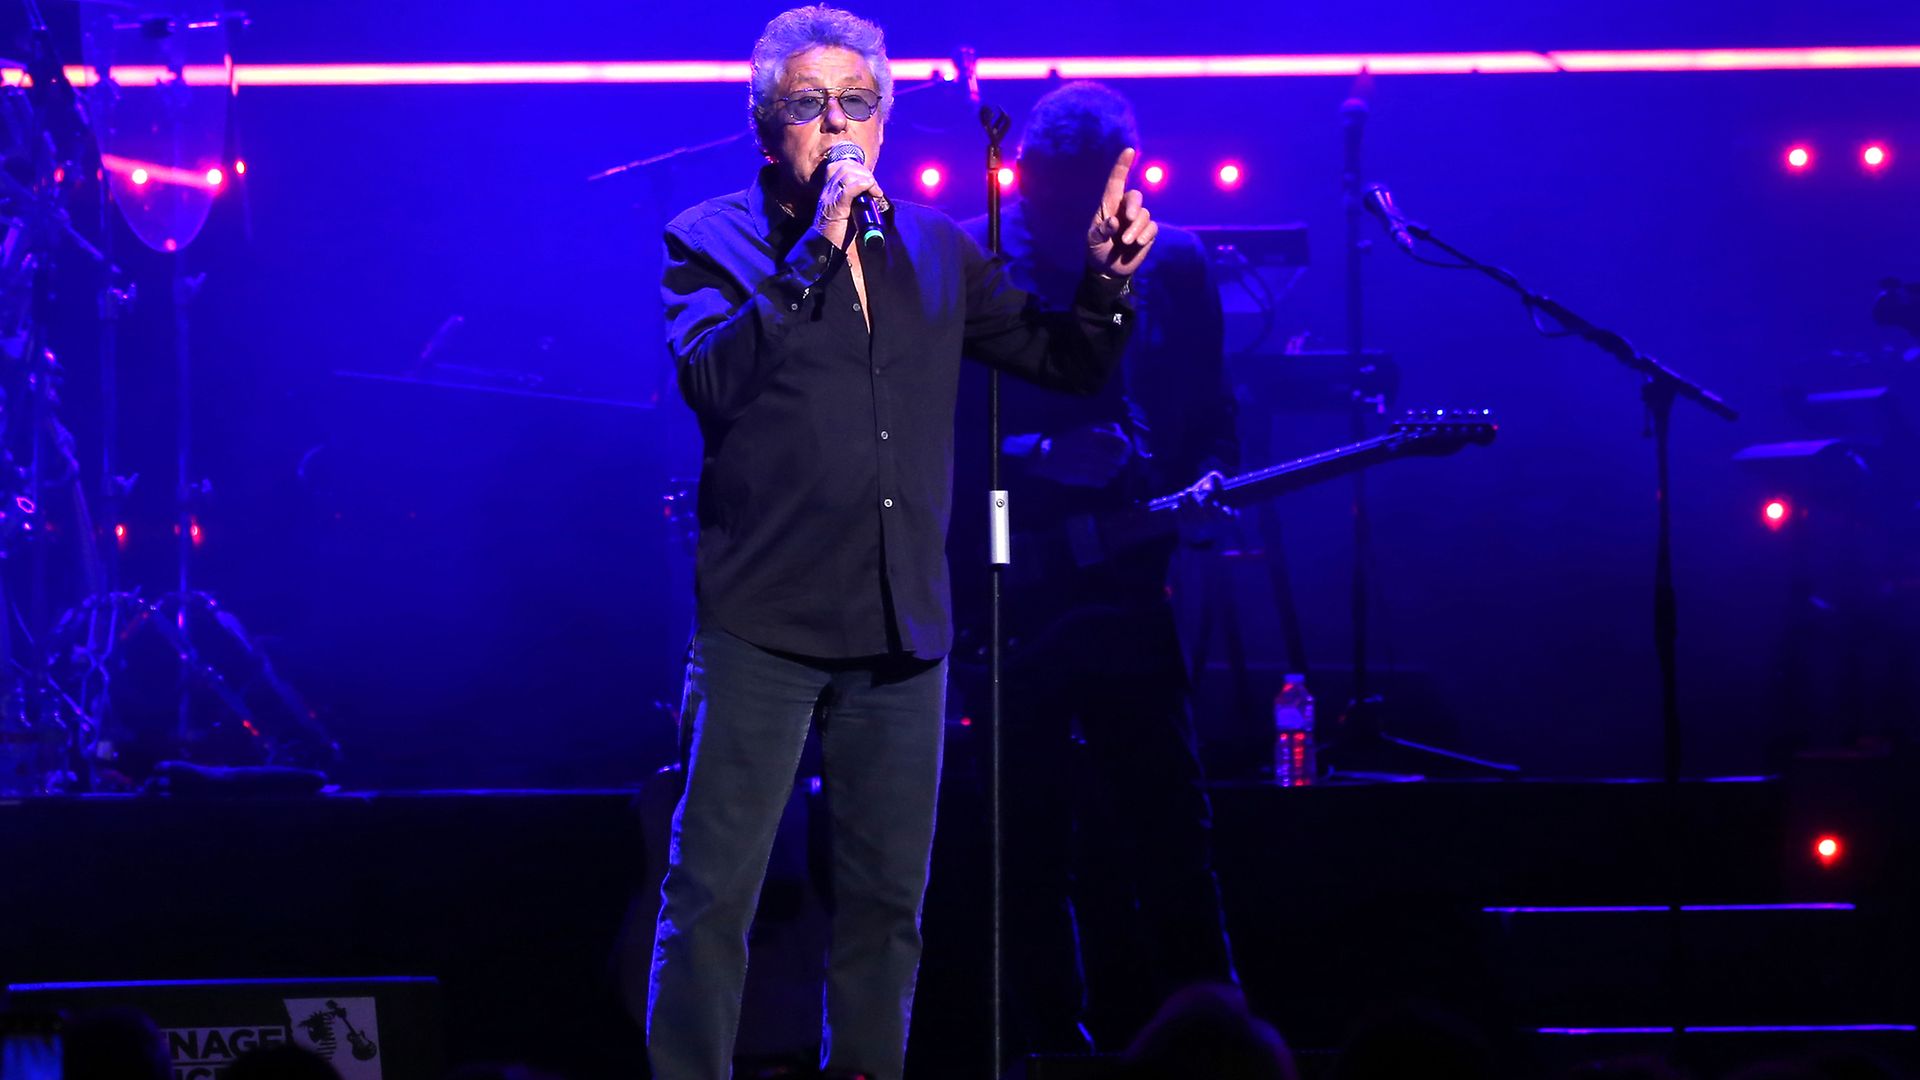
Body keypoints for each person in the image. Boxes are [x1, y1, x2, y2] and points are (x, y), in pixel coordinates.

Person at [646, 8, 1157, 1080]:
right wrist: (816, 253)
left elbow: (1064, 364)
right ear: (764, 120)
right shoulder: (709, 238)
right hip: (763, 625)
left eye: (856, 103)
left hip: (902, 629)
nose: (835, 124)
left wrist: (1106, 284)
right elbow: (713, 381)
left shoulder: (937, 251)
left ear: (885, 118)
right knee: (713, 897)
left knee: (887, 906)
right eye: (808, 104)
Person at [952, 80, 1237, 1053]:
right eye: (1053, 204)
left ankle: (1212, 1042)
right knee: (1026, 835)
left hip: (1124, 576)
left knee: (1169, 821)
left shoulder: (1179, 268)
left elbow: (1210, 420)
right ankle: (1044, 1048)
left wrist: (1204, 486)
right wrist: (1037, 458)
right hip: (1000, 550)